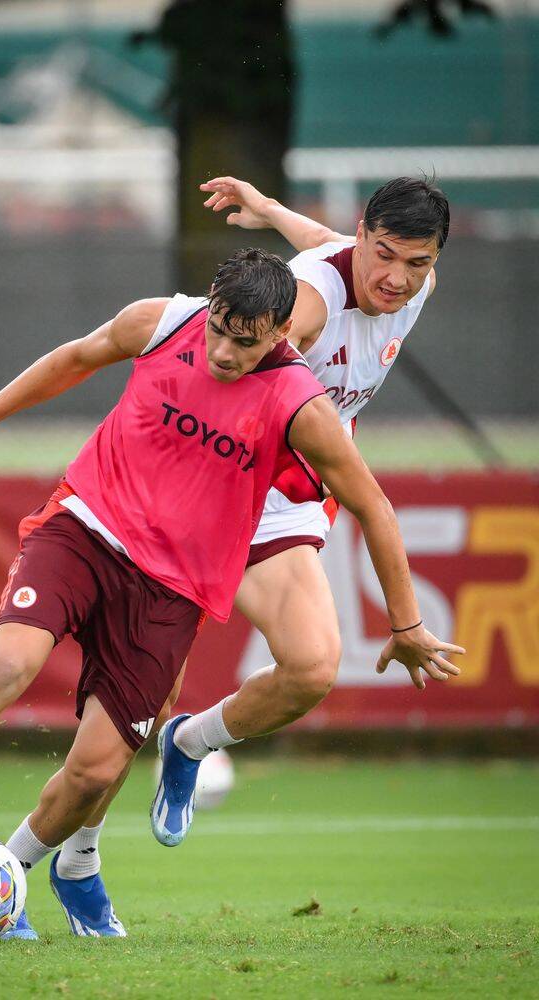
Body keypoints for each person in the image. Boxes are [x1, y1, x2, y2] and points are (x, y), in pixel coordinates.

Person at [0, 248, 459, 941]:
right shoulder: (163, 322)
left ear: (281, 334)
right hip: (84, 526)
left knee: (94, 773)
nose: (227, 352)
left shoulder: (300, 404)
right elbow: (74, 358)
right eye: (222, 329)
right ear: (210, 303)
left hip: (171, 586)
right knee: (9, 663)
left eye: (248, 339)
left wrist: (406, 624)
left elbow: (375, 507)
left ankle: (22, 875)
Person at [150, 174, 456, 848]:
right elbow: (223, 348)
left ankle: (190, 745)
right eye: (385, 254)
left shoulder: (408, 280)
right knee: (143, 696)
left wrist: (265, 209)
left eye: (417, 262)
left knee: (311, 669)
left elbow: (325, 241)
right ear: (366, 236)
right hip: (205, 481)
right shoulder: (305, 309)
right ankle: (75, 856)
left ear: (433, 258)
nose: (398, 278)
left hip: (285, 497)